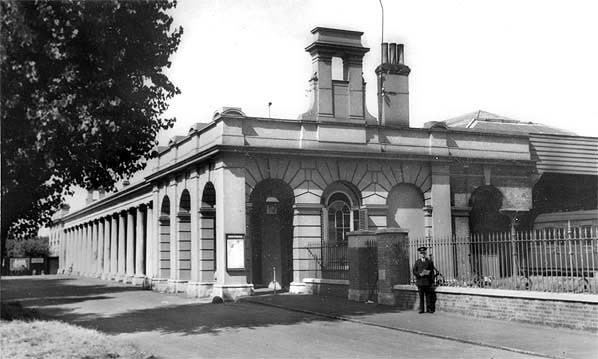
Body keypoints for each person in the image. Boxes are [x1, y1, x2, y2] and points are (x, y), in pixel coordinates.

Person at [412, 246, 436, 313]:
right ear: (420, 254)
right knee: (421, 296)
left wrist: (432, 282)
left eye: (424, 253)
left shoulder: (429, 262)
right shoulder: (417, 262)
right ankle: (421, 309)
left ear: (425, 253)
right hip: (420, 282)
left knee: (428, 296)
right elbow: (414, 271)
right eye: (421, 253)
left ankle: (429, 309)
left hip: (427, 282)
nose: (423, 254)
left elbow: (432, 272)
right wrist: (419, 274)